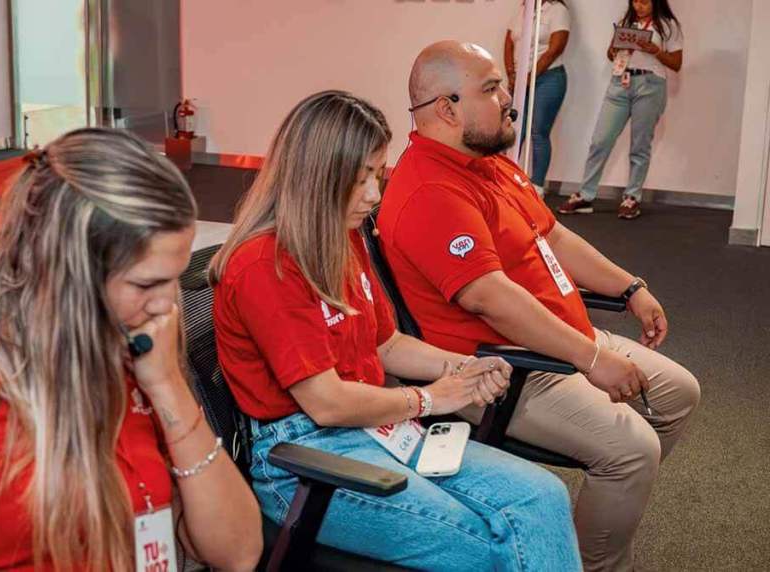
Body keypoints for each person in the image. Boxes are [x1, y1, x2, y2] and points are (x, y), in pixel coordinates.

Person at [0, 128, 262, 571]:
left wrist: (169, 390)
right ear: (65, 273)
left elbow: (238, 552)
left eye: (173, 278)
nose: (167, 305)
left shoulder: (127, 348)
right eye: (147, 283)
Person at [210, 90, 581, 571]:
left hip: (373, 427)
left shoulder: (341, 236)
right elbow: (327, 403)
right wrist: (431, 399)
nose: (374, 194)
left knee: (542, 498)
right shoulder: (265, 265)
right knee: (488, 549)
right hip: (304, 459)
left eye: (376, 174)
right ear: (315, 178)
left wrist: (463, 369)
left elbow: (385, 343)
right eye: (358, 178)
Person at [379, 41, 700, 571]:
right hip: (506, 369)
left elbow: (555, 236)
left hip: (561, 338)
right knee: (633, 451)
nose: (509, 98)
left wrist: (629, 288)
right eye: (491, 88)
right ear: (447, 108)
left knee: (678, 395)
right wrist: (592, 360)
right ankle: (587, 562)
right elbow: (492, 301)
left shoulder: (489, 165)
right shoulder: (431, 188)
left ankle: (574, 539)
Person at [559, 0, 684, 219]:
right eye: (635, 1)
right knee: (600, 140)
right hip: (620, 82)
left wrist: (654, 50)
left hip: (650, 84)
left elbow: (676, 62)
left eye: (644, 2)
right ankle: (586, 194)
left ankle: (632, 196)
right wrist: (616, 48)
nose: (639, 6)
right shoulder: (625, 22)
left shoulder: (667, 25)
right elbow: (611, 54)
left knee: (640, 144)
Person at [504, 0, 571, 197]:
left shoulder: (558, 10)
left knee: (538, 130)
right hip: (520, 78)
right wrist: (512, 74)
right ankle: (508, 180)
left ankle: (537, 186)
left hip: (548, 77)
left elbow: (555, 49)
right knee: (515, 131)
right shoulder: (523, 9)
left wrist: (529, 77)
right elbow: (509, 42)